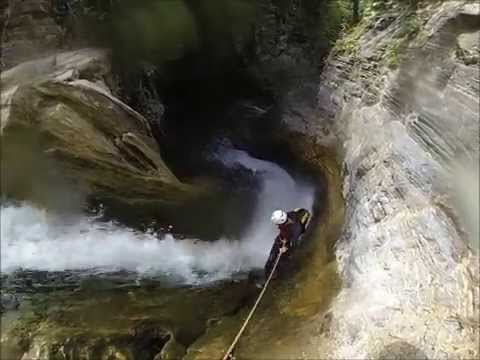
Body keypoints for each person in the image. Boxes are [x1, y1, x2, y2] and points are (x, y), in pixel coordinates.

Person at [264, 209, 305, 279]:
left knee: (282, 260)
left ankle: (281, 275)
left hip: (289, 242)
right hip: (283, 238)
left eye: (278, 224)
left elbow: (294, 243)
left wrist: (286, 248)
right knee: (272, 255)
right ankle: (268, 271)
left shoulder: (296, 228)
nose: (277, 225)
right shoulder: (288, 215)